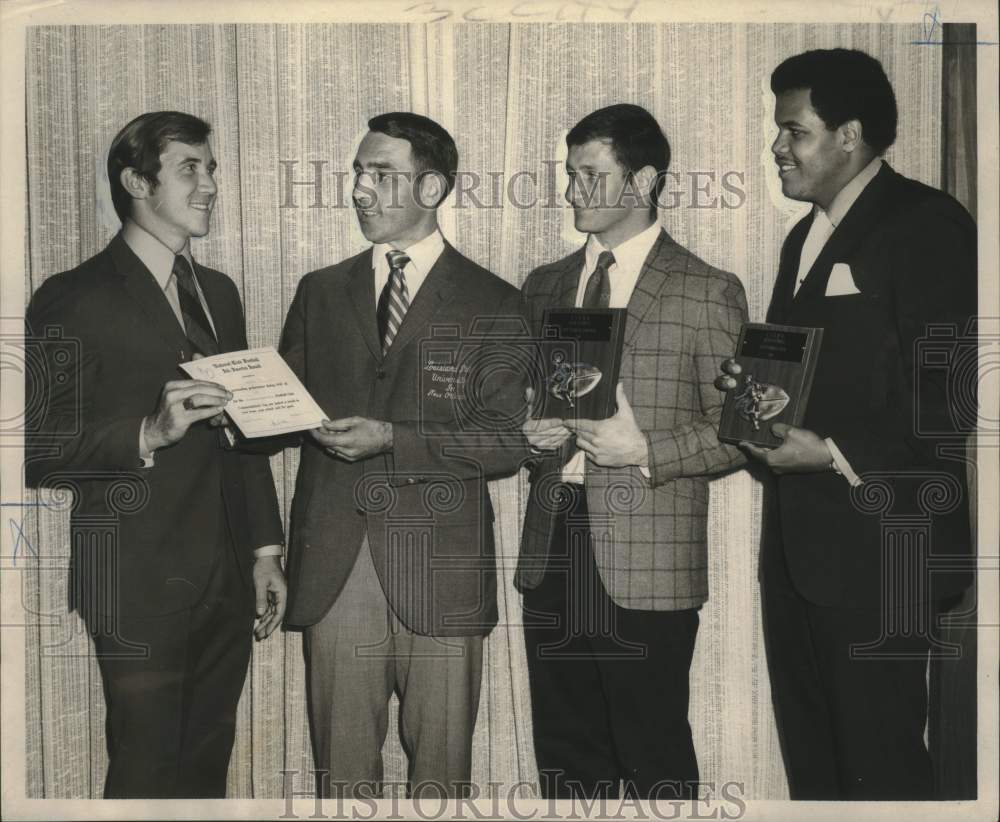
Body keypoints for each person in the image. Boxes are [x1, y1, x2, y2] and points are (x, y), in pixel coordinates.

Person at [24, 111, 287, 798]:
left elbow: (241, 436)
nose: (211, 185)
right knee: (144, 776)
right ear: (137, 182)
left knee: (205, 774)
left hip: (228, 580)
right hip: (136, 580)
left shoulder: (219, 293)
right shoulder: (71, 296)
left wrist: (265, 552)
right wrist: (147, 431)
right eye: (189, 168)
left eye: (211, 169)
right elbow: (41, 447)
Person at [741, 48, 976, 799]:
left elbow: (950, 400)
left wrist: (834, 452)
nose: (777, 147)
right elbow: (811, 377)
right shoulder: (802, 238)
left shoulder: (928, 223)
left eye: (794, 131)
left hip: (885, 557)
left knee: (884, 775)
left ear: (850, 135)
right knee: (816, 773)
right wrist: (754, 399)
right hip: (801, 557)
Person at [278, 112, 526, 798]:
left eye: (381, 174)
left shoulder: (495, 301)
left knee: (441, 782)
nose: (360, 189)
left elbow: (507, 439)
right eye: (358, 173)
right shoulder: (319, 291)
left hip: (441, 569)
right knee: (342, 782)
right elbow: (285, 408)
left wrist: (394, 438)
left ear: (431, 188)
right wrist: (236, 403)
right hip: (336, 562)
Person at [516, 103, 748, 799]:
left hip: (649, 561)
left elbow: (742, 430)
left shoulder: (706, 289)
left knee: (653, 755)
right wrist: (529, 431)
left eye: (591, 174)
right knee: (565, 755)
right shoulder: (544, 285)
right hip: (553, 545)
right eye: (569, 174)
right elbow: (522, 403)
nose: (572, 190)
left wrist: (644, 449)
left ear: (643, 181)